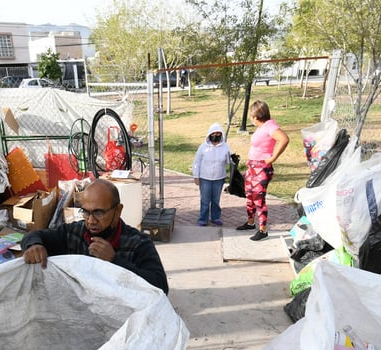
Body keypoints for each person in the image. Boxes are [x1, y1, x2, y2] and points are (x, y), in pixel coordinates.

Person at [21, 178, 169, 294]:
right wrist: (34, 245)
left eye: (98, 213)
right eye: (86, 212)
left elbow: (161, 287)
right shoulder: (74, 233)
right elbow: (35, 235)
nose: (91, 221)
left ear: (118, 211)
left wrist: (114, 260)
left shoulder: (139, 244)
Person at [236, 100, 290, 241]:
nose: (250, 118)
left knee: (258, 199)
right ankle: (250, 223)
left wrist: (272, 158)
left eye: (251, 115)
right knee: (249, 196)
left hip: (261, 168)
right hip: (252, 167)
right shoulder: (262, 127)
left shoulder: (269, 126)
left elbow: (284, 139)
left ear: (255, 116)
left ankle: (263, 230)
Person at [192, 123, 231, 227]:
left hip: (219, 178)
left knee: (216, 199)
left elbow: (228, 161)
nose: (216, 135)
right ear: (209, 134)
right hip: (205, 178)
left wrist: (232, 159)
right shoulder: (203, 147)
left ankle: (215, 217)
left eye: (218, 133)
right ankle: (203, 219)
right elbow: (197, 162)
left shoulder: (225, 147)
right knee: (205, 200)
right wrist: (196, 176)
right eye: (214, 133)